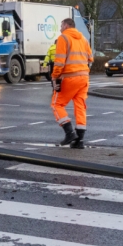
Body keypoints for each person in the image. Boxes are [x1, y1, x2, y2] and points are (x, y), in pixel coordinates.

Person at [50, 17, 93, 148]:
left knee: (56, 104)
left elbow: (59, 62)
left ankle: (69, 133)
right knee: (80, 106)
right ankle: (79, 140)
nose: (60, 28)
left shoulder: (63, 38)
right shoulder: (83, 39)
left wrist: (55, 76)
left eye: (61, 26)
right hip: (83, 77)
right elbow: (90, 58)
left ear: (67, 26)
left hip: (69, 77)